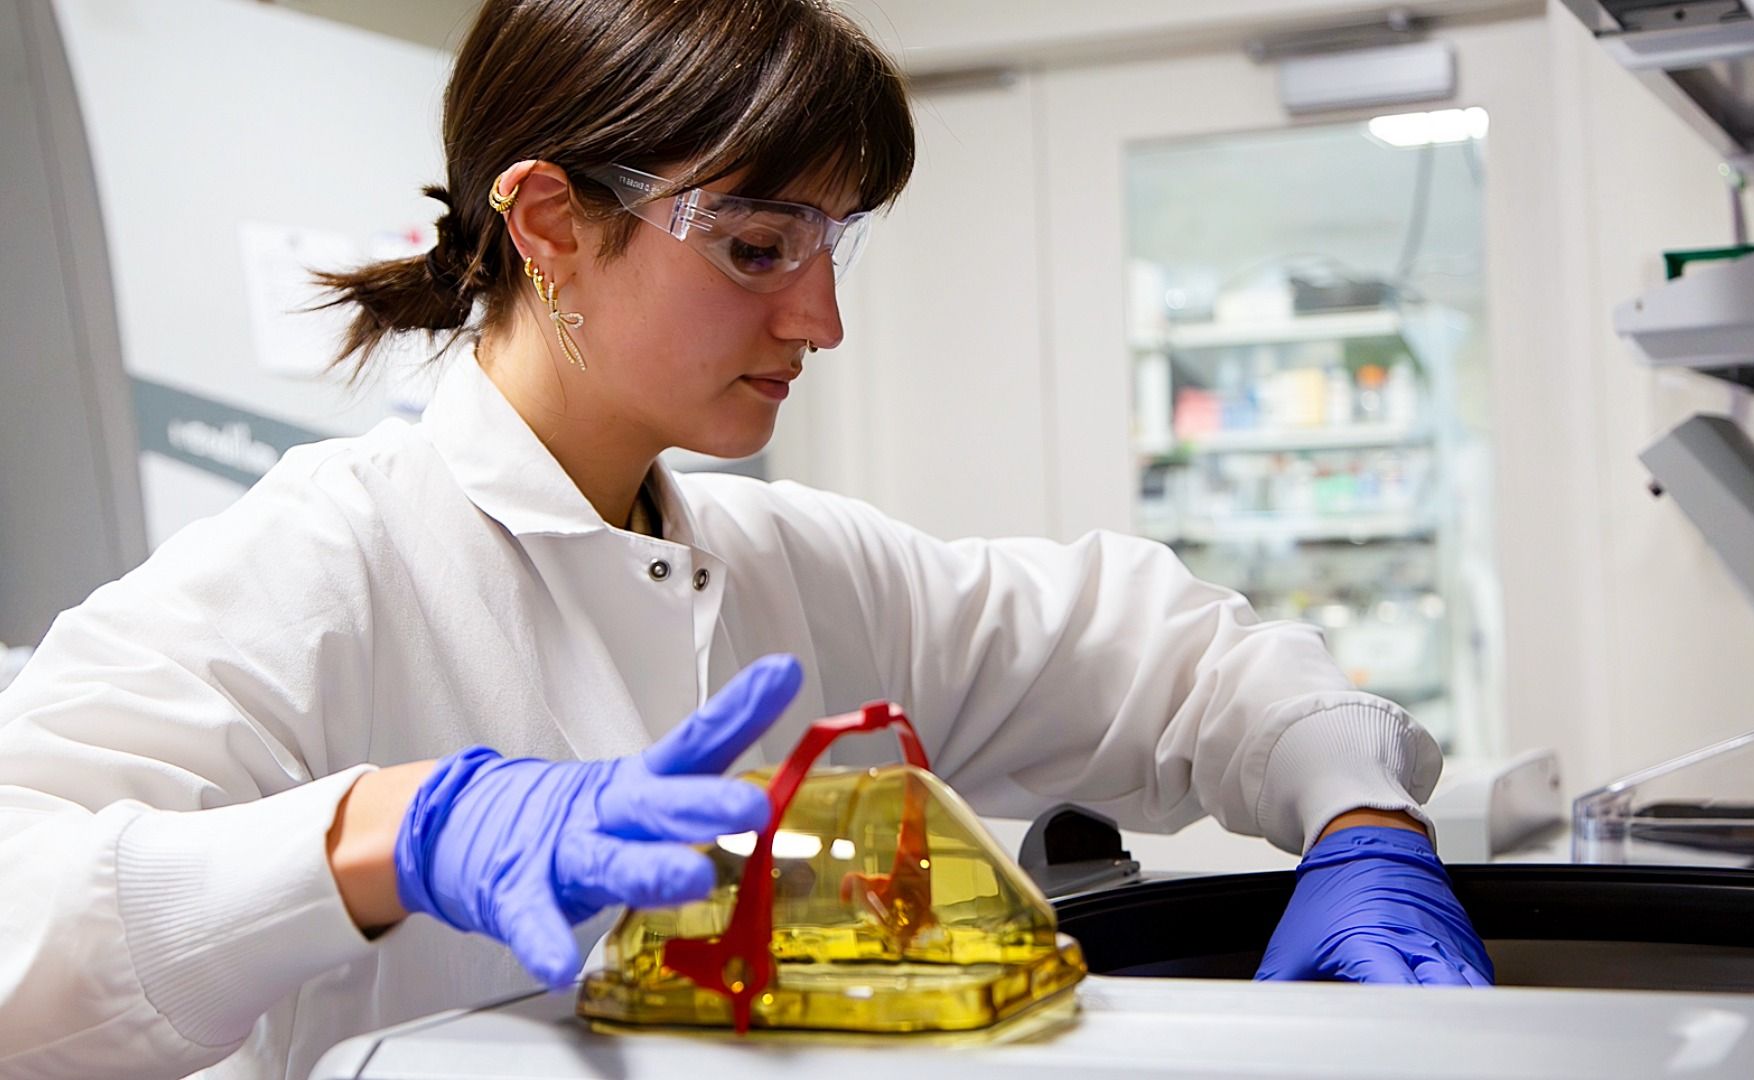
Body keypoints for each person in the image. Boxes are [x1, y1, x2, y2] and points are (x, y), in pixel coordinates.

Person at [0, 1, 1491, 1077]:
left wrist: (1361, 821)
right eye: (759, 248)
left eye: (832, 248)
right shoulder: (322, 564)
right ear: (548, 221)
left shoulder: (799, 567)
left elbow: (1169, 657)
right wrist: (386, 833)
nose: (821, 320)